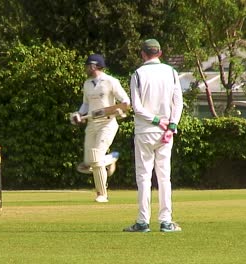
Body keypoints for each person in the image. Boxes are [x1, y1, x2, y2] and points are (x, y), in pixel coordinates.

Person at [123, 39, 183, 232]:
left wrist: (158, 121)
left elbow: (138, 108)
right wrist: (171, 125)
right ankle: (166, 221)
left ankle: (143, 222)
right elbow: (178, 103)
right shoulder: (171, 73)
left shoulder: (138, 74)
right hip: (165, 132)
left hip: (145, 131)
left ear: (143, 54)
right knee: (164, 177)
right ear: (160, 52)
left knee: (144, 176)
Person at [70, 54, 130, 203]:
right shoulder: (87, 83)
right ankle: (111, 158)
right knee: (87, 164)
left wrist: (120, 110)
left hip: (107, 123)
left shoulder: (111, 81)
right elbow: (86, 104)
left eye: (87, 66)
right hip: (92, 123)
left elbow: (125, 101)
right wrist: (78, 114)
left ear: (94, 66)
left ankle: (102, 194)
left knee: (96, 159)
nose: (85, 69)